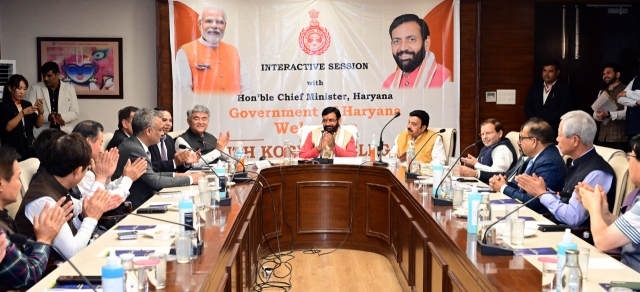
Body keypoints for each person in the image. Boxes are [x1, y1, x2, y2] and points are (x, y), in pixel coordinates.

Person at [14, 134, 119, 260]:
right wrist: (91, 218)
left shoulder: (54, 181)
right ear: (77, 171)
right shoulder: (44, 201)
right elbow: (72, 252)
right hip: (53, 272)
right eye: (87, 169)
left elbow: (71, 225)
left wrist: (83, 217)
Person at [515, 110, 615, 227]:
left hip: (577, 239)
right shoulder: (577, 162)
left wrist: (542, 194)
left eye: (559, 135)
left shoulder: (596, 172)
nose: (557, 139)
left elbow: (573, 217)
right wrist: (545, 191)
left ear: (575, 140)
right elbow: (567, 197)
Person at [0, 146, 73, 290]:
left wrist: (46, 230)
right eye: (17, 178)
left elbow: (21, 255)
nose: (20, 184)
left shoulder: (5, 216)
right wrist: (44, 240)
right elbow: (28, 276)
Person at [113, 109, 205, 210]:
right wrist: (191, 179)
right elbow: (155, 181)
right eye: (160, 130)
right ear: (148, 131)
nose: (163, 134)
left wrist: (180, 175)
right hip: (135, 205)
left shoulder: (136, 144)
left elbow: (153, 173)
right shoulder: (133, 149)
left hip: (146, 198)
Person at [579, 134, 640, 273]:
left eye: (630, 158)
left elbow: (602, 242)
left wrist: (593, 207)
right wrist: (604, 213)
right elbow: (630, 229)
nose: (628, 162)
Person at [486, 118, 567, 214]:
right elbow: (523, 188)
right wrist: (505, 183)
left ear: (534, 142)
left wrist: (503, 188)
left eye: (522, 139)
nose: (519, 142)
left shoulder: (548, 162)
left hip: (539, 217)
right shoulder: (539, 156)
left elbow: (531, 202)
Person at [176, 5, 252, 94]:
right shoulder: (185, 51)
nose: (214, 26)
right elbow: (184, 91)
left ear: (225, 25)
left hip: (233, 107)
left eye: (220, 22)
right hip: (203, 107)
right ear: (200, 24)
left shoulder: (235, 52)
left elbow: (246, 88)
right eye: (209, 21)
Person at [72, 120, 147, 200]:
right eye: (100, 144)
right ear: (88, 141)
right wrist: (128, 178)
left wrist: (110, 177)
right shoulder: (81, 171)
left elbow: (106, 189)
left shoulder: (86, 166)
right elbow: (106, 199)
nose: (101, 150)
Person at [383, 14, 450, 89]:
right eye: (396, 41)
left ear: (426, 44)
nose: (403, 48)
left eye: (411, 39)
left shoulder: (446, 78)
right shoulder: (389, 83)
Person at [524, 59, 574, 137]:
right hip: (535, 129)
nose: (546, 74)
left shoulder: (564, 89)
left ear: (557, 72)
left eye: (550, 71)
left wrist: (545, 123)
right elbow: (528, 108)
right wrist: (537, 122)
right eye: (544, 71)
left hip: (554, 130)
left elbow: (563, 110)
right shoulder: (535, 87)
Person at [26, 62, 80, 133]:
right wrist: (48, 117)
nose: (45, 78)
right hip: (42, 131)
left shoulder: (69, 88)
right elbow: (31, 111)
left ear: (57, 75)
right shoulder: (35, 88)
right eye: (44, 75)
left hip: (65, 131)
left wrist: (60, 117)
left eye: (49, 76)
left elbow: (75, 112)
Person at [0, 74, 44, 161]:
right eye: (19, 88)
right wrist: (22, 113)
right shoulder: (3, 105)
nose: (22, 92)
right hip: (12, 149)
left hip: (29, 147)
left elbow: (38, 124)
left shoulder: (27, 104)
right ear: (10, 88)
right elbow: (8, 128)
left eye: (24, 89)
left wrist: (40, 112)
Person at [592, 63, 628, 151]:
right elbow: (594, 114)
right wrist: (599, 116)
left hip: (619, 138)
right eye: (604, 74)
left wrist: (608, 114)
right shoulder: (602, 91)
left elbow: (627, 113)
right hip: (602, 137)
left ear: (617, 74)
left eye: (608, 73)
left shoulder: (626, 90)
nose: (605, 76)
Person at [149, 107, 196, 172]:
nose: (168, 124)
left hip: (171, 180)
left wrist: (184, 162)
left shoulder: (169, 139)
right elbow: (151, 168)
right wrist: (174, 162)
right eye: (164, 120)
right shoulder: (149, 140)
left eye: (170, 121)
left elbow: (174, 167)